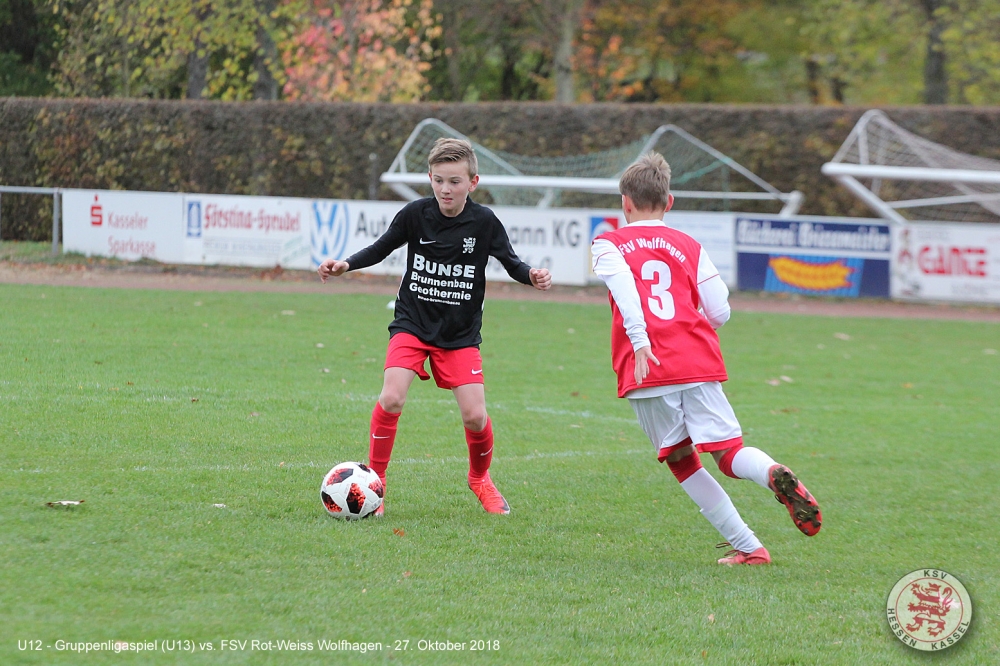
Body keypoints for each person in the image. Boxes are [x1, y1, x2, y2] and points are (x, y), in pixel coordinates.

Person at [591, 152, 821, 565]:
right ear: (669, 201)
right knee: (729, 453)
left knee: (682, 461)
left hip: (648, 367)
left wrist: (641, 339)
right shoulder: (689, 245)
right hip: (698, 361)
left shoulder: (609, 243)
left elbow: (625, 289)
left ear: (625, 202)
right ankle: (770, 472)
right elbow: (720, 311)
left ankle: (750, 547)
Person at [319, 137, 552, 516]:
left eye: (455, 182)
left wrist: (532, 275)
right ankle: (376, 483)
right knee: (392, 397)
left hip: (459, 335)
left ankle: (480, 478)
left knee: (475, 415)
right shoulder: (416, 214)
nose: (446, 189)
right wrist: (347, 264)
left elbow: (512, 262)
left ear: (472, 183)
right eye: (439, 180)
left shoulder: (484, 222)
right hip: (412, 324)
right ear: (430, 178)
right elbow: (382, 246)